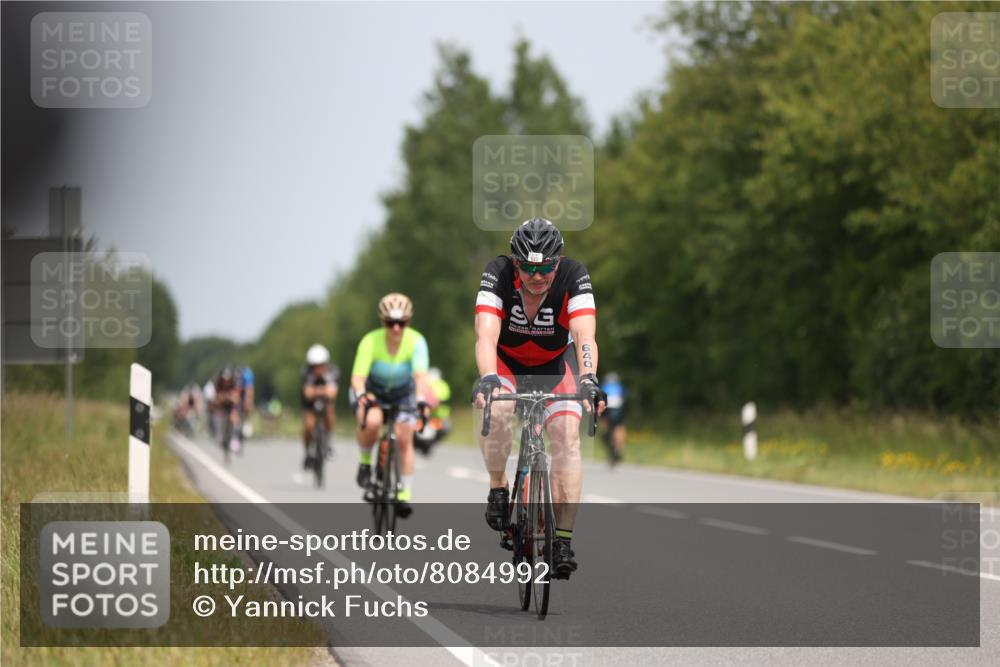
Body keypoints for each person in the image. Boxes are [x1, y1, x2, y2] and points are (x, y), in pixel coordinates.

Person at [472, 218, 606, 579]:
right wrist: (487, 379)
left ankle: (562, 539)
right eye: (529, 267)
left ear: (557, 262)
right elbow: (485, 336)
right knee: (496, 410)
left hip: (554, 365)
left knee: (566, 436)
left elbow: (584, 336)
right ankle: (498, 488)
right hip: (507, 363)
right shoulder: (497, 273)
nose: (537, 275)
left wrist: (590, 379)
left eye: (546, 267)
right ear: (515, 263)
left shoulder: (574, 275)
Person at [350, 293, 430, 518]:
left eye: (401, 322)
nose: (396, 328)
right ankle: (365, 463)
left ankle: (404, 492)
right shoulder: (370, 340)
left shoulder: (416, 341)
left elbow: (421, 376)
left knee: (405, 436)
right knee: (373, 420)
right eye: (390, 323)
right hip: (373, 390)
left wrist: (422, 400)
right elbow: (357, 377)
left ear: (408, 321)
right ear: (382, 321)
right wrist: (361, 394)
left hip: (403, 392)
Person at [300, 344, 339, 476]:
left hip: (326, 401)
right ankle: (307, 452)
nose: (318, 369)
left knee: (329, 410)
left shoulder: (333, 371)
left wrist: (317, 391)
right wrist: (322, 391)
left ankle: (328, 441)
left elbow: (333, 393)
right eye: (315, 365)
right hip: (309, 404)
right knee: (308, 425)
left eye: (321, 365)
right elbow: (307, 394)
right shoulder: (305, 372)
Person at [414, 367, 452, 456]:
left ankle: (429, 444)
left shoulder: (442, 386)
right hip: (423, 418)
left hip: (436, 419)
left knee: (445, 427)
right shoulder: (426, 384)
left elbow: (443, 399)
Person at [213, 366, 242, 452]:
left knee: (235, 420)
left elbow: (236, 397)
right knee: (219, 419)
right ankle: (221, 437)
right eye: (224, 379)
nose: (226, 382)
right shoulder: (218, 383)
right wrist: (224, 397)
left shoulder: (234, 383)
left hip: (232, 405)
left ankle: (235, 440)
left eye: (227, 380)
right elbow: (217, 398)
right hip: (221, 406)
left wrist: (229, 398)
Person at [601, 371, 627, 465]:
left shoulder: (604, 386)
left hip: (607, 408)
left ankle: (607, 436)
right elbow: (624, 398)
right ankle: (618, 448)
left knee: (606, 426)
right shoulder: (620, 387)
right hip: (618, 408)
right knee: (619, 426)